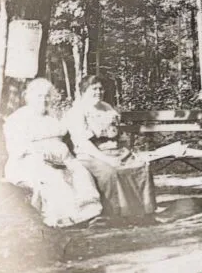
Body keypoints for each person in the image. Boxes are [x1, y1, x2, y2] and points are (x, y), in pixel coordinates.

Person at [2, 78, 102, 228]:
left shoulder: (53, 116)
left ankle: (87, 214)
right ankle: (63, 218)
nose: (44, 99)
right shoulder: (18, 119)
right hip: (30, 161)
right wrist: (40, 153)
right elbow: (16, 148)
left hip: (62, 159)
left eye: (47, 95)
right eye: (39, 96)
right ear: (29, 97)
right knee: (55, 176)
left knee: (80, 172)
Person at [64, 75, 157, 221]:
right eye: (94, 89)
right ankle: (118, 214)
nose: (98, 92)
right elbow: (83, 143)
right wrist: (106, 159)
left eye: (101, 89)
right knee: (112, 172)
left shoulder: (106, 107)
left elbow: (116, 134)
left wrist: (128, 151)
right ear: (83, 91)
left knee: (141, 166)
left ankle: (144, 212)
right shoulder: (77, 112)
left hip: (115, 150)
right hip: (91, 154)